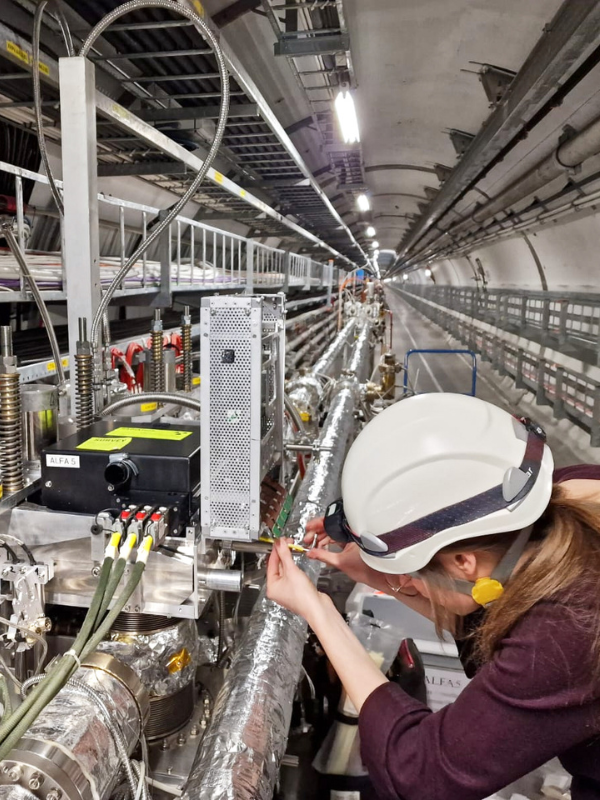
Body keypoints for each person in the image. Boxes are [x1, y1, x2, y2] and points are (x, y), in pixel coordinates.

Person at [266, 393, 600, 800]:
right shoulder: (558, 494)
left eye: (411, 574)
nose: (408, 583)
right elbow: (490, 618)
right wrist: (380, 572)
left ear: (463, 562)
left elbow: (421, 773)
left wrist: (320, 613)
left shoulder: (569, 627)